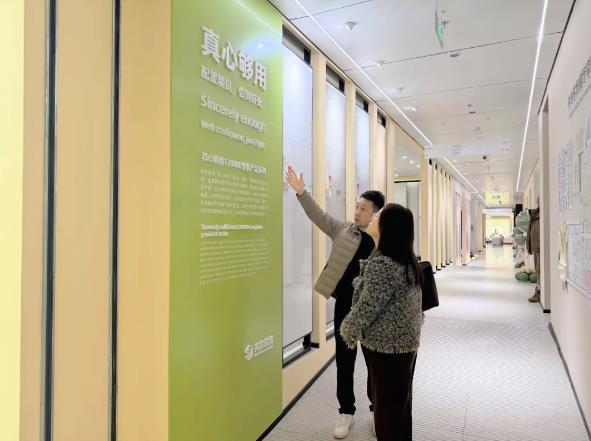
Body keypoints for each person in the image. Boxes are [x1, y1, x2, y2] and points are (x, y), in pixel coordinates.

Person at [285, 167, 385, 439]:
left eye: (363, 209)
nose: (357, 212)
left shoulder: (382, 242)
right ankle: (346, 412)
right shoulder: (343, 230)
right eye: (357, 207)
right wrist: (301, 192)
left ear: (376, 214)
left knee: (374, 362)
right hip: (345, 307)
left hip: (372, 311)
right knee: (344, 361)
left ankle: (377, 411)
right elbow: (318, 215)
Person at [340, 203, 424, 441]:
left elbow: (367, 306)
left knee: (388, 415)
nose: (372, 217)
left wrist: (347, 329)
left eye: (377, 215)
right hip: (404, 346)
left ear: (388, 227)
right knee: (399, 410)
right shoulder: (405, 260)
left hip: (387, 349)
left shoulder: (383, 264)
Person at [527, 196, 541, 302]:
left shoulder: (540, 214)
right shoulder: (535, 214)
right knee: (538, 270)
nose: (538, 201)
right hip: (537, 247)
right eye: (538, 200)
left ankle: (539, 292)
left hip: (541, 247)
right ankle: (539, 291)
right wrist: (529, 246)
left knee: (540, 270)